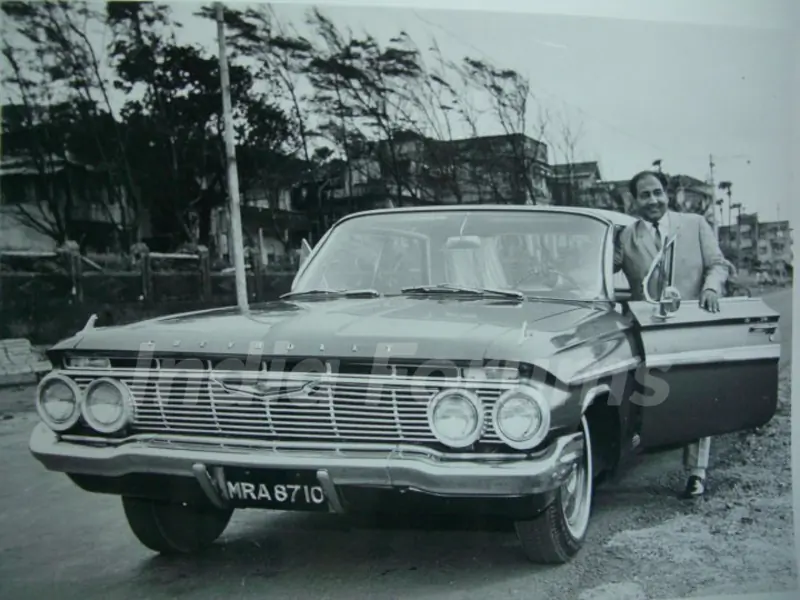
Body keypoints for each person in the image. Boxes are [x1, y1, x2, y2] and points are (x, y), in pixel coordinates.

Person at [614, 170, 729, 499]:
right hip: (647, 331)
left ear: (668, 195)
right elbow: (605, 267)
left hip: (691, 324)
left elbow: (718, 264)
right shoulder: (626, 236)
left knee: (696, 394)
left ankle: (696, 472)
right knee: (649, 393)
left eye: (657, 193)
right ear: (634, 201)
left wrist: (710, 289)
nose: (653, 201)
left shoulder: (694, 225)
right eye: (644, 195)